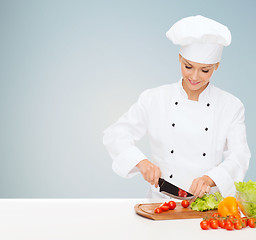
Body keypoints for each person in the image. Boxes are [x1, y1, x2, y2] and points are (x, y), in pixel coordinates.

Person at [103, 15, 251, 199]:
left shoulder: (230, 106)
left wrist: (211, 178)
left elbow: (240, 156)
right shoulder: (154, 98)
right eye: (188, 67)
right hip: (161, 202)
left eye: (205, 70)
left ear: (216, 66)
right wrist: (141, 162)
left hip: (206, 205)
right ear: (180, 58)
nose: (195, 77)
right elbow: (116, 134)